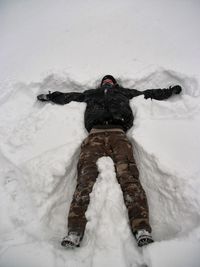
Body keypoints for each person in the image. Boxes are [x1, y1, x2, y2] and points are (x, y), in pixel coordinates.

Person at [37, 75, 182, 248]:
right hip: (94, 137)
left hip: (118, 135)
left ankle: (142, 228)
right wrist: (50, 96)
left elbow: (148, 93)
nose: (107, 81)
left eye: (110, 80)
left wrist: (169, 91)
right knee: (84, 180)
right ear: (101, 83)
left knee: (129, 178)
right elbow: (69, 96)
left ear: (114, 83)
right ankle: (74, 231)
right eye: (105, 80)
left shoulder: (124, 92)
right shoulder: (91, 93)